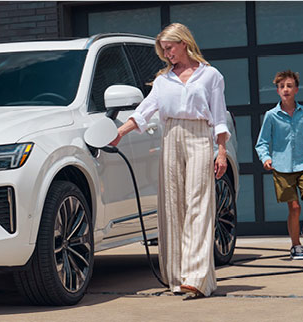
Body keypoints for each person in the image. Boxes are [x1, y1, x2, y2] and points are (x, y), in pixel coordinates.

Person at [110, 23, 229, 299]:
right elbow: (143, 112)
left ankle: (198, 277)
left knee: (199, 205)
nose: (166, 54)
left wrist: (220, 151)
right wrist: (117, 134)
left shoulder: (211, 76)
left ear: (184, 43)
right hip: (171, 136)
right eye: (163, 50)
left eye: (170, 48)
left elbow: (219, 117)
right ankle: (178, 277)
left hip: (200, 135)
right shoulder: (163, 81)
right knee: (173, 205)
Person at [255, 70, 303, 260]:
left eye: (289, 86)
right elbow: (262, 142)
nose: (285, 89)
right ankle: (296, 245)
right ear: (277, 91)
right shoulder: (271, 116)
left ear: (296, 89)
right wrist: (265, 158)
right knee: (295, 208)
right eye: (281, 87)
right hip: (281, 168)